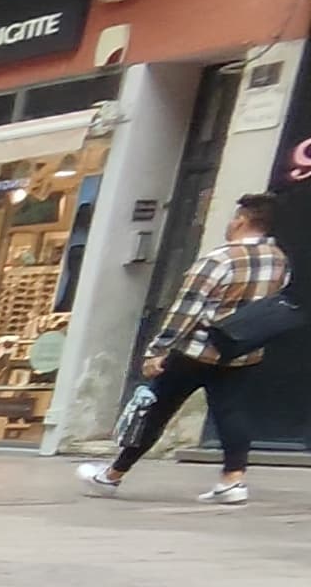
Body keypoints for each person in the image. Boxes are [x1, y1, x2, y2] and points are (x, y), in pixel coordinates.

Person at [81, 192, 291, 505]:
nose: (231, 223)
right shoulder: (279, 260)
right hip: (243, 351)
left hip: (198, 350)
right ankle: (233, 479)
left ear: (242, 220)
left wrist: (157, 350)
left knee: (156, 411)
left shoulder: (219, 260)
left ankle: (113, 474)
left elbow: (186, 310)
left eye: (234, 218)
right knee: (232, 412)